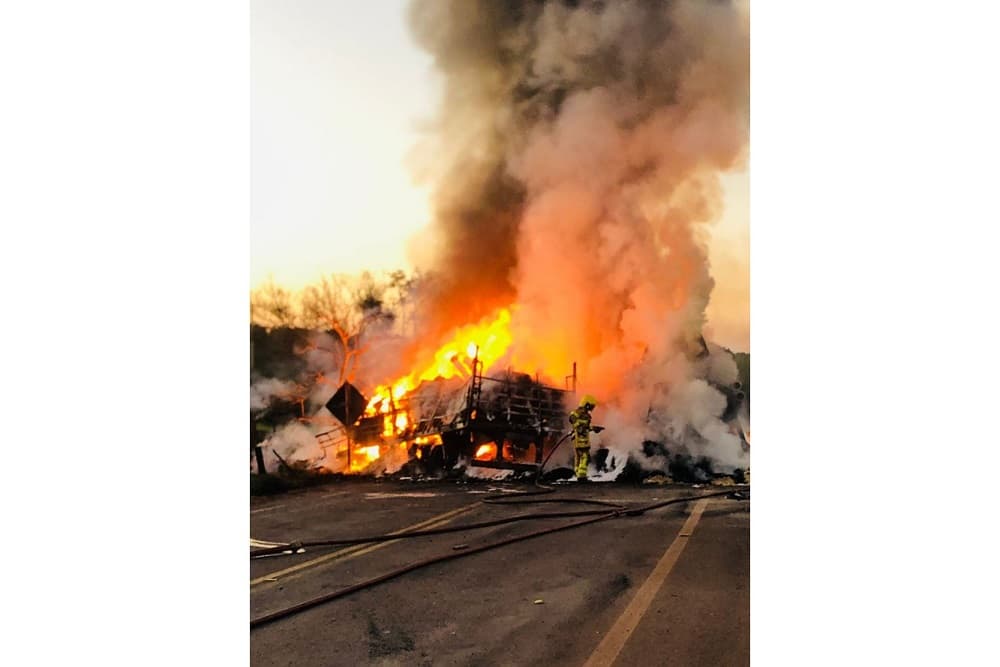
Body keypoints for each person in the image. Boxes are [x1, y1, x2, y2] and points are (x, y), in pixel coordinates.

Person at [568, 394, 603, 481]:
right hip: (580, 439)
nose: (591, 408)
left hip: (583, 439)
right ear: (586, 404)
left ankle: (578, 474)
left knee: (579, 457)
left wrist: (594, 428)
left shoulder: (587, 415)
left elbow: (586, 427)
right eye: (591, 406)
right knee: (585, 457)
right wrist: (578, 427)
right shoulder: (578, 412)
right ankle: (582, 476)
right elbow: (572, 418)